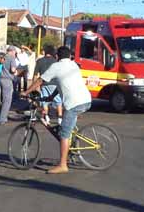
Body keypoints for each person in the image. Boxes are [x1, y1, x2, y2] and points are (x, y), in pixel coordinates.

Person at [21, 46, 92, 174]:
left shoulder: (56, 66)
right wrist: (51, 97)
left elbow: (40, 80)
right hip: (86, 100)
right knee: (66, 127)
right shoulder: (73, 64)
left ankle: (63, 165)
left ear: (57, 57)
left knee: (64, 134)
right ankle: (71, 148)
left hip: (74, 103)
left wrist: (26, 92)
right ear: (69, 56)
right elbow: (61, 84)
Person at [33, 45, 63, 124]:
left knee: (45, 101)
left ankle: (47, 117)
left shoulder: (39, 61)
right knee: (58, 101)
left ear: (45, 52)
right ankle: (60, 119)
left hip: (44, 84)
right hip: (54, 84)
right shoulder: (55, 61)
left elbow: (35, 75)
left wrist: (35, 87)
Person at [0, 47, 17, 125]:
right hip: (7, 80)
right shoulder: (12, 58)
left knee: (0, 100)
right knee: (7, 100)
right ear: (12, 51)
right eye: (15, 52)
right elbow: (12, 70)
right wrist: (16, 71)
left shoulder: (2, 57)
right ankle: (2, 118)